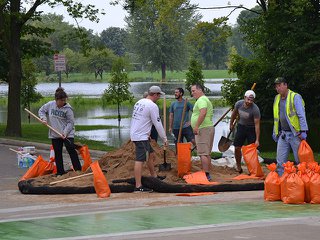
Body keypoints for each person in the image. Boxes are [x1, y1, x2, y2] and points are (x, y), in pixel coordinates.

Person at [130, 86, 168, 192]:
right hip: (140, 136)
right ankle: (138, 186)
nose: (159, 97)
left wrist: (148, 132)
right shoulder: (152, 106)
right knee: (140, 160)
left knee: (150, 154)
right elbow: (158, 124)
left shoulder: (140, 102)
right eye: (159, 95)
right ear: (155, 94)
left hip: (139, 134)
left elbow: (143, 120)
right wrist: (164, 138)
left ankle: (154, 176)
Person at [38, 87, 81, 176]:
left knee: (71, 150)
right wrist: (44, 119)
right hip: (55, 134)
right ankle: (60, 172)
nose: (63, 102)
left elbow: (71, 123)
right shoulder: (50, 105)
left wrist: (65, 133)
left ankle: (78, 170)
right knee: (57, 153)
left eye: (64, 100)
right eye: (61, 100)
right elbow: (41, 111)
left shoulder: (68, 109)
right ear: (56, 100)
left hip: (67, 133)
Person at [272, 77, 308, 176]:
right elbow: (276, 117)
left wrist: (303, 130)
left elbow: (301, 115)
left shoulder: (295, 97)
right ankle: (281, 183)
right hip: (283, 135)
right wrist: (275, 131)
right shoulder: (277, 98)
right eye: (276, 87)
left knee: (300, 161)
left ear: (285, 85)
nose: (278, 88)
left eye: (279, 85)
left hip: (296, 134)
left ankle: (303, 182)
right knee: (280, 162)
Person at [229, 90, 261, 173]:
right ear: (244, 98)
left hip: (251, 128)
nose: (249, 102)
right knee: (237, 147)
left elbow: (257, 125)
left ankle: (252, 169)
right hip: (241, 127)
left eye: (251, 100)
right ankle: (239, 167)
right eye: (248, 100)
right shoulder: (239, 104)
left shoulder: (255, 109)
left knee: (251, 150)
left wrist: (257, 139)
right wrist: (231, 124)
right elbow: (234, 114)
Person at [191, 84, 214, 181]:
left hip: (203, 128)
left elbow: (203, 112)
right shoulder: (204, 99)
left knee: (203, 153)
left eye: (193, 91)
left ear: (200, 90)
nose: (192, 93)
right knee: (207, 153)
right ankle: (207, 173)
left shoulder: (201, 100)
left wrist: (196, 126)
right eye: (191, 91)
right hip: (207, 128)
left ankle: (206, 175)